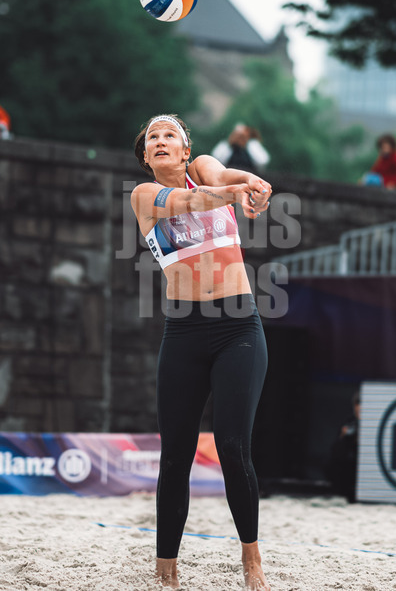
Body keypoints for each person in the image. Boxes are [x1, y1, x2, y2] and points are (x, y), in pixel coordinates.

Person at [130, 114, 272, 590]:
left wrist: (252, 182)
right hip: (185, 333)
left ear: (187, 150)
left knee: (233, 446)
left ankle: (251, 561)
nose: (162, 140)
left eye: (170, 134)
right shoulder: (145, 196)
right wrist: (234, 194)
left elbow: (224, 178)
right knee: (176, 457)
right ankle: (165, 571)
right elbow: (191, 201)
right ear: (147, 155)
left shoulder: (207, 166)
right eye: (154, 137)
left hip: (238, 328)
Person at [325, 391, 362, 503]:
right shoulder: (349, 422)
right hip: (349, 464)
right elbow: (336, 451)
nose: (359, 412)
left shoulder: (377, 424)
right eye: (357, 409)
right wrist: (343, 437)